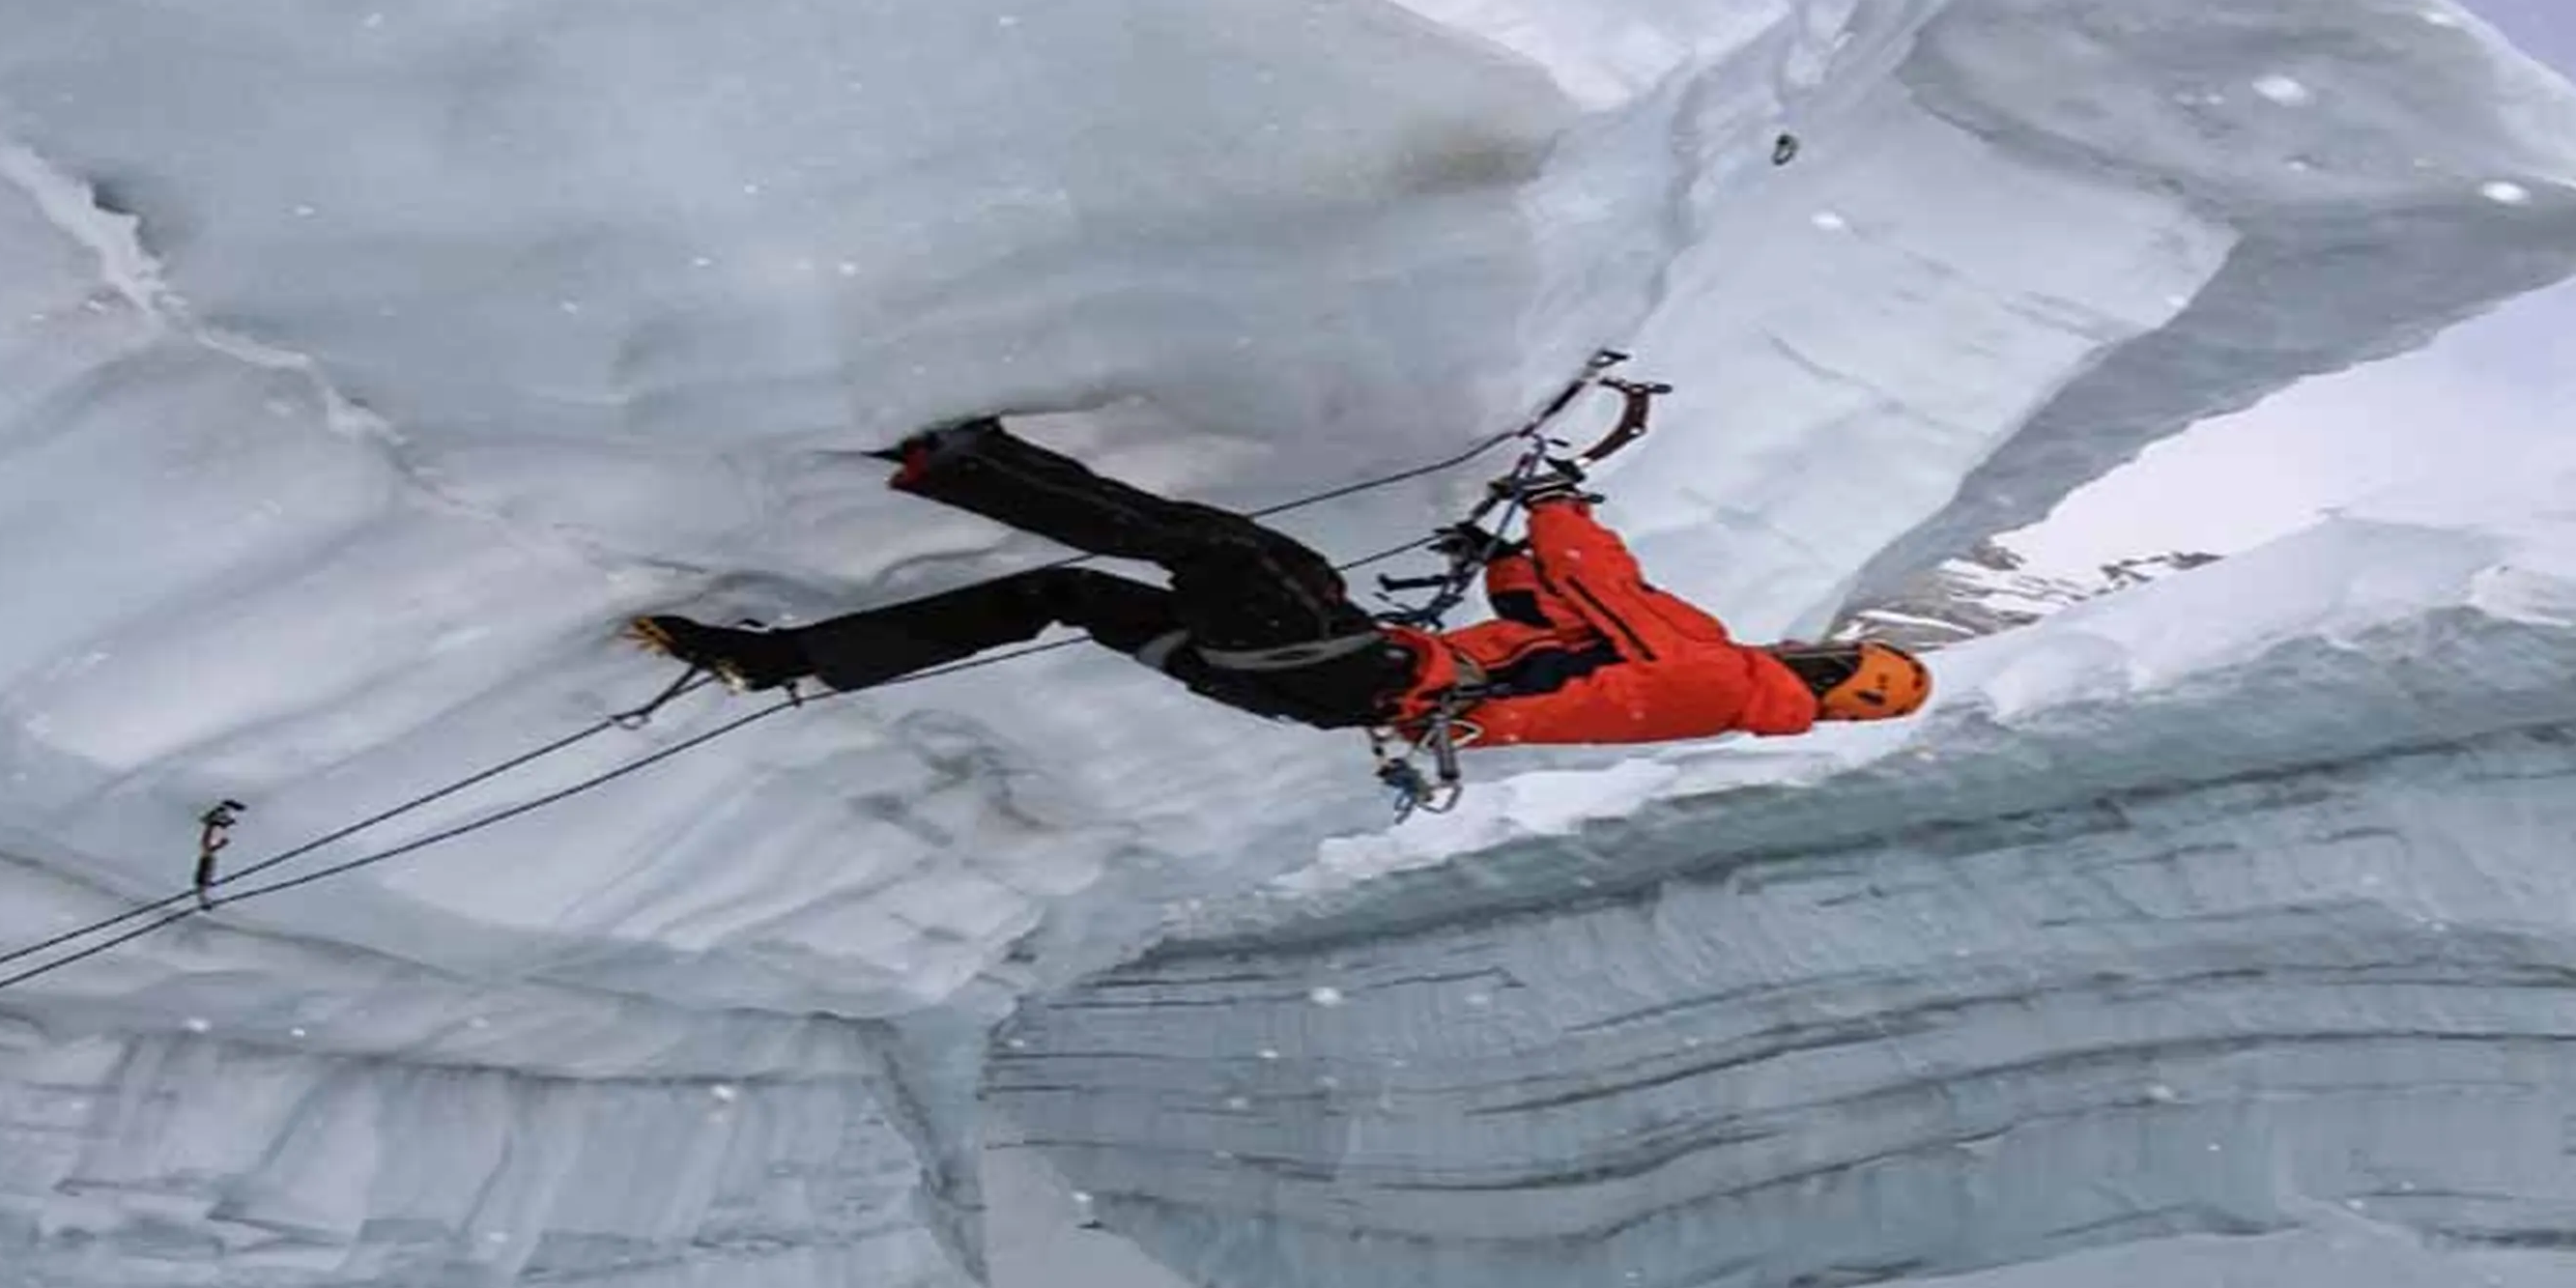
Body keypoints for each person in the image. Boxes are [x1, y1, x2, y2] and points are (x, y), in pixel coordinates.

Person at [623, 418, 1931, 749]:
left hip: (1359, 678)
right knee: (1068, 599)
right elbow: (1556, 621)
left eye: (1848, 672)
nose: (1827, 663)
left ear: (1831, 673)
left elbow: (1607, 593)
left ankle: (958, 462)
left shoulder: (1718, 677)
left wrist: (1556, 506)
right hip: (1338, 691)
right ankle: (784, 661)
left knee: (1239, 555)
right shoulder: (1710, 679)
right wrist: (1525, 557)